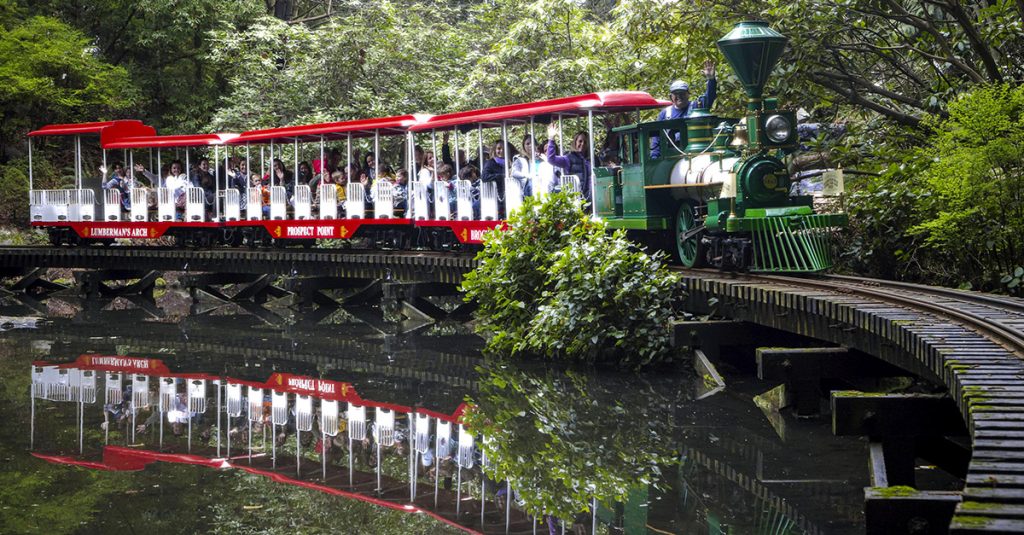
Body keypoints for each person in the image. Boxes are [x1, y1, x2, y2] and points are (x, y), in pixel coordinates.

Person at [650, 59, 717, 158]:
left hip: (694, 153)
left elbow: (709, 98)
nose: (679, 96)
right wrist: (654, 158)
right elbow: (657, 138)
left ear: (688, 94)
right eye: (676, 94)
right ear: (670, 97)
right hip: (671, 156)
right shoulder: (665, 114)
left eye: (682, 93)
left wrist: (711, 80)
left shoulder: (695, 107)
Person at [545, 125, 591, 202]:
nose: (582, 144)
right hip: (575, 198)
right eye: (580, 141)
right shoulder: (568, 158)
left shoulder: (591, 158)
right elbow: (551, 159)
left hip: (590, 197)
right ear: (575, 142)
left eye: (585, 142)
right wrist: (551, 139)